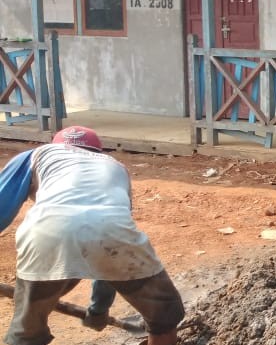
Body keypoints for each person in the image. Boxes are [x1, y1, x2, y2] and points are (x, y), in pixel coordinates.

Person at [0, 126, 185, 345]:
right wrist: (99, 308)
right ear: (99, 152)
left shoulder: (37, 155)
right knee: (164, 315)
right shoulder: (116, 168)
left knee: (26, 331)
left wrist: (98, 309)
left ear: (55, 145)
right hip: (112, 231)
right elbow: (107, 250)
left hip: (46, 233)